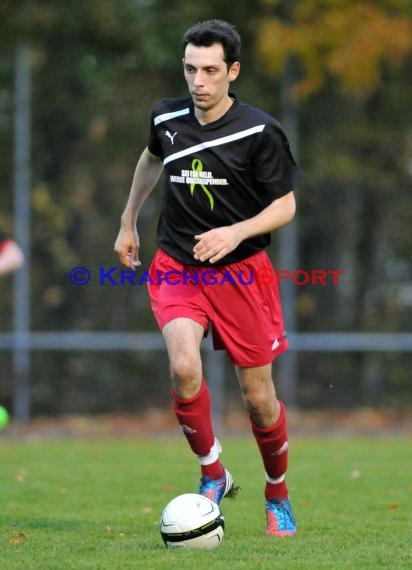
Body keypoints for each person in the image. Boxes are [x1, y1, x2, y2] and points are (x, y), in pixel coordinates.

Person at [115, 19, 302, 537]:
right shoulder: (167, 116)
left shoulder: (259, 132)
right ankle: (213, 472)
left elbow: (285, 205)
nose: (198, 81)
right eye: (191, 69)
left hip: (242, 276)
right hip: (178, 265)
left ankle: (277, 494)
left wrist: (234, 232)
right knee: (182, 366)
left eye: (211, 71)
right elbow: (151, 160)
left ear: (232, 71)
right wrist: (128, 220)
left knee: (260, 400)